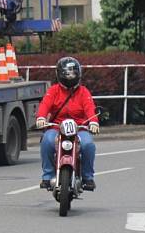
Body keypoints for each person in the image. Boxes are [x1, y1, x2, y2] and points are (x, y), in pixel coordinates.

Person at [35, 57, 99, 190]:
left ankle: (88, 178)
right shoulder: (53, 90)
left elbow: (89, 108)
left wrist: (93, 122)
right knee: (47, 141)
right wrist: (41, 118)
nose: (70, 76)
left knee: (88, 145)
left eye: (73, 73)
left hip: (80, 128)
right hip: (57, 127)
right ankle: (47, 176)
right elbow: (44, 105)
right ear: (59, 74)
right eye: (67, 73)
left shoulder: (83, 92)